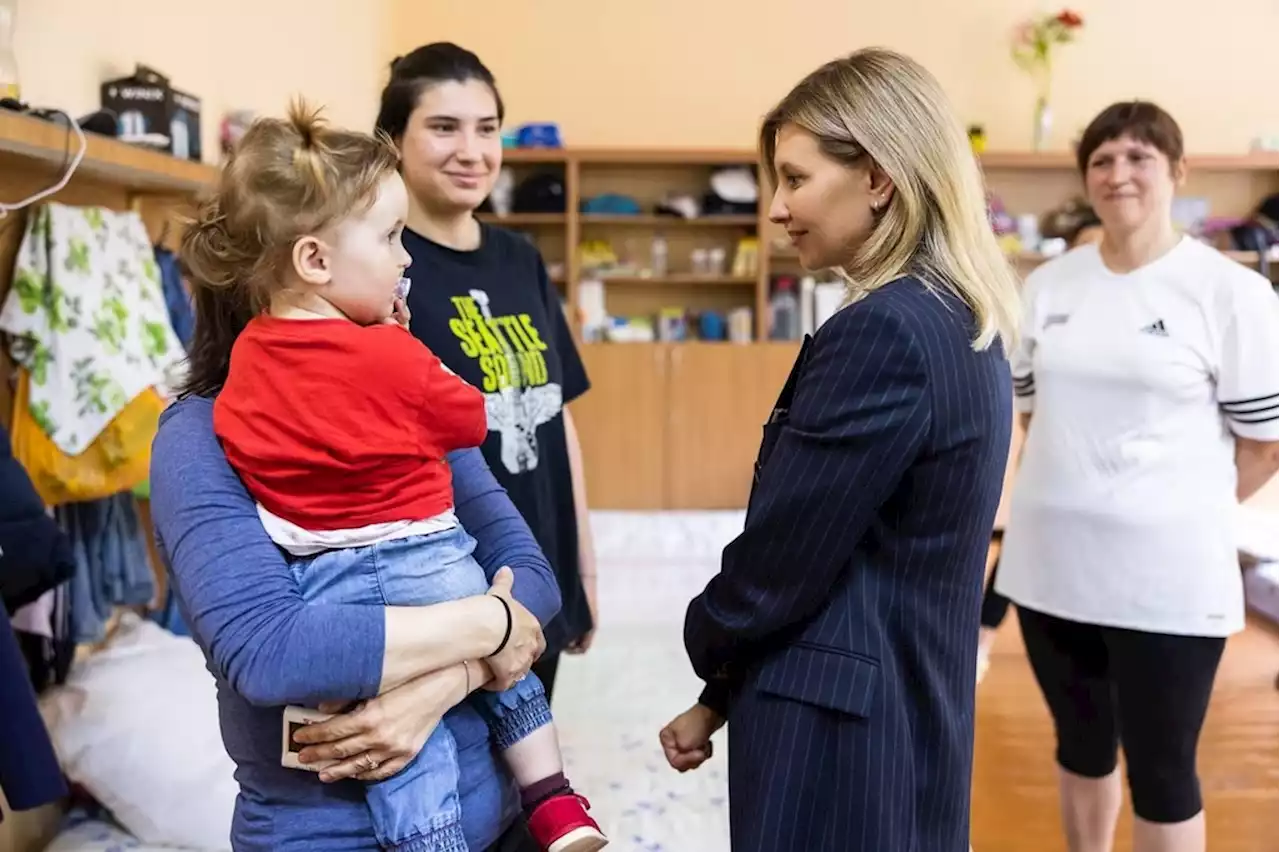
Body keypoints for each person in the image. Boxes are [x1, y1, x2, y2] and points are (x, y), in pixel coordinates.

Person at [191, 102, 606, 852]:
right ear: (315, 261)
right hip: (316, 832)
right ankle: (555, 797)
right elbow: (270, 654)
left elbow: (534, 573)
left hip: (490, 811)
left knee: (417, 759)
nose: (407, 257)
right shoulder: (207, 428)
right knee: (495, 711)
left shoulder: (261, 386)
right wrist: (497, 626)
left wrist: (432, 687)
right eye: (390, 239)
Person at [658, 47, 1021, 852]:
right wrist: (718, 694)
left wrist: (705, 637)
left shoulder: (885, 331)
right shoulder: (960, 320)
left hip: (839, 729)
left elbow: (785, 555)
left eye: (794, 178)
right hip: (905, 710)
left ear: (879, 178)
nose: (776, 208)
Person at [995, 101, 1280, 852]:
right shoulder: (1048, 287)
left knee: (1162, 768)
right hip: (1050, 570)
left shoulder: (1232, 294)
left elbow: (1265, 445)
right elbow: (1028, 418)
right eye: (1102, 161)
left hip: (1168, 583)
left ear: (1177, 172)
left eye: (1138, 158)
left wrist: (1179, 514)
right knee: (1079, 745)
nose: (1118, 174)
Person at [374, 43, 595, 700]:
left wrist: (581, 567)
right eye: (444, 128)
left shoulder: (519, 257)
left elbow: (560, 415)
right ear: (392, 142)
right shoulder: (382, 268)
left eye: (486, 128)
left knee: (531, 773)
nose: (471, 151)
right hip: (449, 589)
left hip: (537, 570)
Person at [975, 213, 1104, 684]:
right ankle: (981, 642)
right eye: (1081, 247)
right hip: (1051, 467)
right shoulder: (1048, 306)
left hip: (1110, 483)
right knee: (1015, 557)